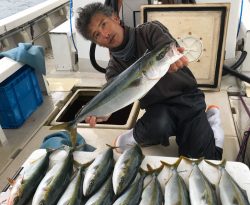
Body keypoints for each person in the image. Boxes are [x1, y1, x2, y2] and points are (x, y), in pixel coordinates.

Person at [75, 2, 224, 160]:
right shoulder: (113, 70)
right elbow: (119, 99)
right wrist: (104, 113)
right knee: (157, 126)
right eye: (97, 35)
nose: (105, 34)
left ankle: (212, 119)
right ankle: (135, 137)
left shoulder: (150, 30)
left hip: (187, 98)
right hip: (157, 108)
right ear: (97, 43)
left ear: (116, 18)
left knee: (203, 160)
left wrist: (171, 59)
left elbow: (167, 47)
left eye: (104, 24)